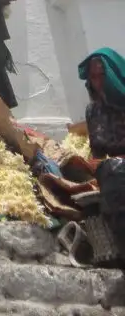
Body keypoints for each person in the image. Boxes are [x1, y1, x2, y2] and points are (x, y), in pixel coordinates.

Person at [80, 48, 125, 251]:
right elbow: (97, 151)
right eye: (93, 77)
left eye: (102, 75)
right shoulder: (93, 110)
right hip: (112, 173)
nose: (98, 82)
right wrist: (93, 164)